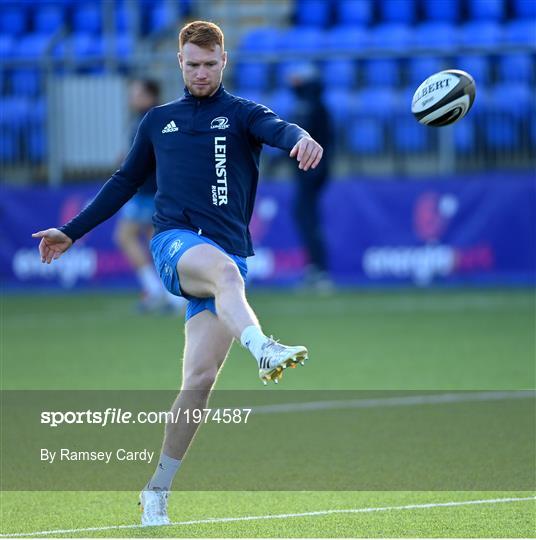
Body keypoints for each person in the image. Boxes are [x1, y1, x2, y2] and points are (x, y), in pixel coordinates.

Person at [32, 20, 323, 527]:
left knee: (199, 381)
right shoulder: (157, 121)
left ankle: (156, 490)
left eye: (210, 64)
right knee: (227, 274)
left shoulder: (242, 114)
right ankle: (264, 348)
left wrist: (302, 139)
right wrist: (72, 231)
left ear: (224, 62)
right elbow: (124, 181)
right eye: (193, 64)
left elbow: (281, 129)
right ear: (179, 63)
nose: (202, 72)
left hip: (227, 255)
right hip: (175, 245)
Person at [113, 78, 186, 313]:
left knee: (126, 236)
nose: (131, 98)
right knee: (156, 242)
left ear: (149, 96)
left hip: (148, 190)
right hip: (153, 190)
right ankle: (169, 295)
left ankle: (157, 290)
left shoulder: (149, 119)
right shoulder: (154, 118)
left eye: (136, 93)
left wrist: (127, 164)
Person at [289, 63, 333, 291]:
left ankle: (319, 269)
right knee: (305, 217)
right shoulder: (315, 107)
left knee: (308, 218)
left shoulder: (312, 108)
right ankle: (316, 267)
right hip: (309, 172)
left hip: (311, 173)